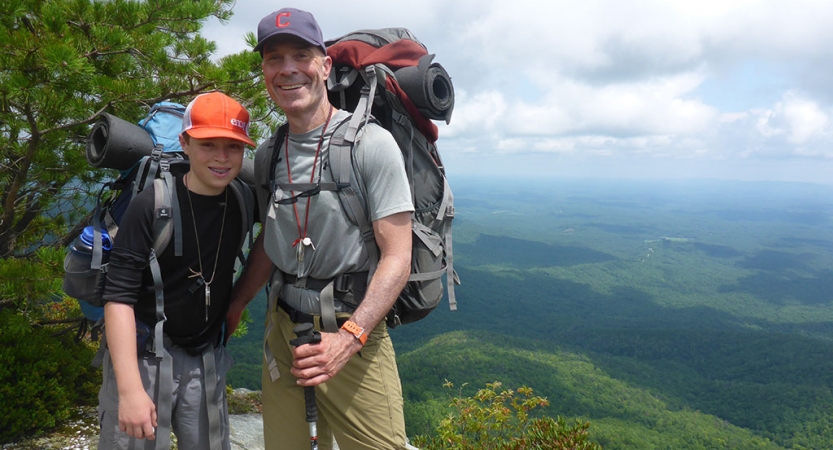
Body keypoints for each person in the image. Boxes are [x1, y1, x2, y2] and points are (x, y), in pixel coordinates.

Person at [226, 7, 414, 450]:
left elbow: (398, 256)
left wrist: (349, 339)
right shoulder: (270, 152)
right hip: (283, 331)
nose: (288, 68)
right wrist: (236, 305)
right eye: (274, 59)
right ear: (264, 71)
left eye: (301, 55)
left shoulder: (370, 144)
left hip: (355, 333)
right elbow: (273, 243)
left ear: (325, 66)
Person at [97, 92, 256, 450]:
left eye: (233, 146)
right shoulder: (152, 203)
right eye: (207, 144)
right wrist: (130, 391)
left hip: (205, 357)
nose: (221, 157)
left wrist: (239, 301)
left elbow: (277, 235)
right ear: (185, 142)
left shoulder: (243, 201)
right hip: (143, 356)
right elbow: (118, 297)